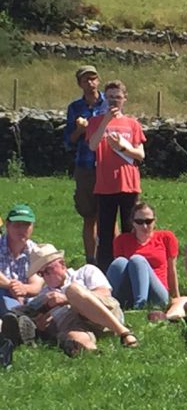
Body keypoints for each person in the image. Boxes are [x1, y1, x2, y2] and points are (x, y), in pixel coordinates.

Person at [23, 243, 138, 355]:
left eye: (48, 270)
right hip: (76, 324)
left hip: (107, 314)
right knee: (73, 336)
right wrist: (43, 326)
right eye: (41, 273)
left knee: (72, 290)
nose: (45, 276)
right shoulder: (44, 296)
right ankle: (95, 355)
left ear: (62, 264)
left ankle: (124, 333)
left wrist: (67, 299)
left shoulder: (85, 272)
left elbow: (105, 293)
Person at [86, 79, 147, 272]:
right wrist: (105, 122)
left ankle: (130, 268)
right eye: (110, 97)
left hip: (128, 183)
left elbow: (141, 155)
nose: (114, 101)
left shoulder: (132, 124)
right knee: (105, 233)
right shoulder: (95, 122)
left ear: (124, 99)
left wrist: (124, 148)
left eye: (118, 97)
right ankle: (106, 272)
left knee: (130, 230)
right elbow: (92, 145)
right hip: (105, 185)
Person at [64, 64, 106, 264]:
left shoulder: (110, 103)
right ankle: (91, 259)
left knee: (108, 214)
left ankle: (109, 256)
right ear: (79, 84)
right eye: (86, 80)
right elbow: (69, 140)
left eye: (93, 78)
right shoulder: (75, 108)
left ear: (98, 80)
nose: (91, 83)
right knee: (89, 215)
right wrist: (80, 130)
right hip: (86, 165)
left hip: (108, 164)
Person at [106, 202, 179, 310]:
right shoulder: (122, 240)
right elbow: (120, 272)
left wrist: (176, 297)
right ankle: (106, 300)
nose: (144, 226)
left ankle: (140, 305)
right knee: (120, 262)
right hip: (130, 290)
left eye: (148, 221)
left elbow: (172, 269)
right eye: (139, 222)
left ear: (155, 221)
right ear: (133, 223)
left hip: (158, 294)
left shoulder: (166, 237)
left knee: (137, 260)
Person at [0, 203, 43, 316]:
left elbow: (37, 285)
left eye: (26, 225)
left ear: (32, 227)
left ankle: (19, 320)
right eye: (17, 225)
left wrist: (23, 289)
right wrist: (12, 286)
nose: (22, 229)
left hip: (25, 299)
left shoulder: (35, 251)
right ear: (8, 225)